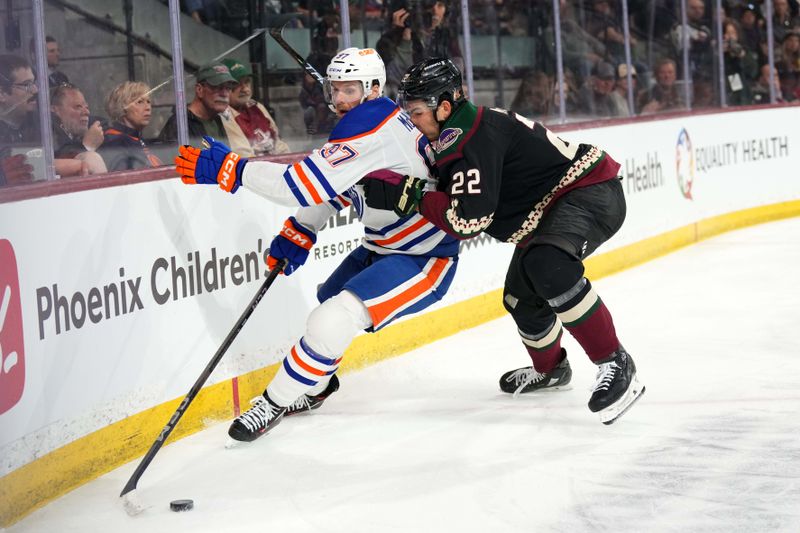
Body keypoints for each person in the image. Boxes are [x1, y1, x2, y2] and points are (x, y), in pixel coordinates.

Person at [174, 48, 459, 442]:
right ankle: (317, 387)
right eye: (335, 88)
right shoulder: (380, 122)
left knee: (332, 320)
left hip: (425, 258)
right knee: (329, 299)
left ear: (374, 89)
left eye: (349, 89)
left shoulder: (372, 126)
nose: (339, 99)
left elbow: (299, 184)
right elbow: (347, 186)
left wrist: (233, 169)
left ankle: (274, 403)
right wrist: (304, 228)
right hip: (383, 246)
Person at [367, 58, 645, 425]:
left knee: (546, 265)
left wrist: (411, 196)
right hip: (551, 209)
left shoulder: (467, 140)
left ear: (445, 106)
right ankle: (551, 370)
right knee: (520, 297)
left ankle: (615, 361)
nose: (414, 122)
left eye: (417, 113)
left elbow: (467, 220)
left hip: (588, 193)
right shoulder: (460, 128)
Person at [219, 58, 290, 157]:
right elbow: (243, 156)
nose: (246, 89)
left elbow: (278, 143)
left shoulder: (257, 106)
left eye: (247, 82)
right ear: (223, 88)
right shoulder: (224, 115)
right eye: (237, 84)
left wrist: (289, 161)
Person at [159, 62, 237, 146]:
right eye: (217, 87)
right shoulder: (180, 124)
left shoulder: (217, 120)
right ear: (199, 89)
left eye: (228, 88)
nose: (224, 94)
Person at [100, 81, 163, 171]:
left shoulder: (135, 138)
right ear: (122, 107)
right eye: (140, 102)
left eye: (148, 102)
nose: (148, 107)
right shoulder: (114, 142)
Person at [50, 83, 107, 175]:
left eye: (87, 107)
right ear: (55, 110)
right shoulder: (47, 135)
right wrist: (87, 146)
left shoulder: (95, 126)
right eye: (78, 107)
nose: (87, 112)